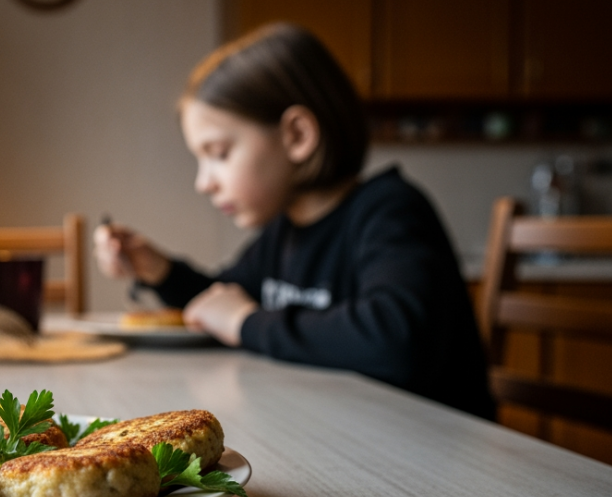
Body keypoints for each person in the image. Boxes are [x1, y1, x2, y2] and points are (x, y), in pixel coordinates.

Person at [96, 24, 495, 419]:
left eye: (218, 153)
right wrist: (160, 271)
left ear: (298, 135)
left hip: (437, 460)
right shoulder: (283, 232)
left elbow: (395, 342)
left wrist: (247, 322)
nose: (203, 183)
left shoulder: (388, 211)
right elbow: (221, 301)